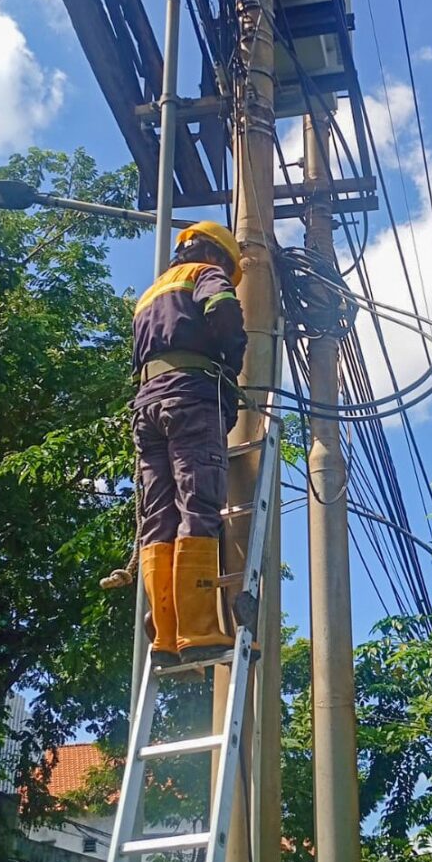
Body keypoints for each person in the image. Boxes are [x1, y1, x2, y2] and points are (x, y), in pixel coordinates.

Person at [132, 221, 247, 666]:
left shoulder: (151, 292)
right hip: (191, 397)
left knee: (158, 516)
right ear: (218, 255)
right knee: (198, 505)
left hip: (146, 405)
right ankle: (198, 631)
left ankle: (164, 636)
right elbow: (223, 311)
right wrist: (232, 364)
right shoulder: (206, 275)